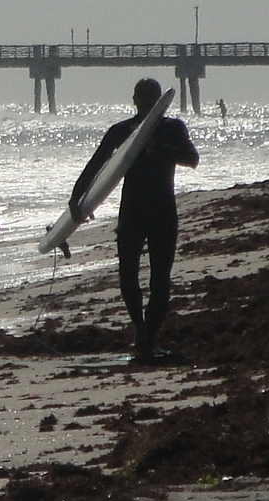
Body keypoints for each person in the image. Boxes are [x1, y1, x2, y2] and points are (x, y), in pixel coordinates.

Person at [68, 78, 199, 361]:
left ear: (159, 101)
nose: (147, 102)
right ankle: (139, 328)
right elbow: (97, 164)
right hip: (132, 211)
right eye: (142, 96)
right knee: (127, 274)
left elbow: (192, 158)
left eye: (152, 97)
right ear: (134, 99)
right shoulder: (121, 131)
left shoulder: (172, 128)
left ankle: (150, 336)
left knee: (160, 278)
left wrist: (159, 149)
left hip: (163, 211)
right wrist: (76, 200)